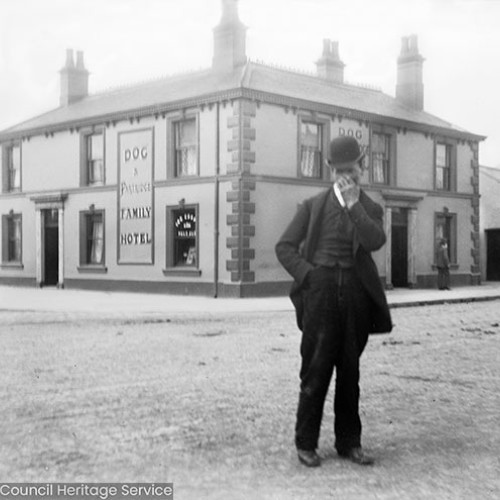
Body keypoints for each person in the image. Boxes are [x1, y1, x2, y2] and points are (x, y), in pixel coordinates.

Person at [275, 136, 392, 468]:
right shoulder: (312, 206)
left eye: (352, 169)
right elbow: (284, 247)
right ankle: (306, 443)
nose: (346, 176)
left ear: (362, 167)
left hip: (355, 296)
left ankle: (349, 443)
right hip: (321, 293)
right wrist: (309, 277)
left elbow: (375, 241)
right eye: (340, 170)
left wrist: (354, 206)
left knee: (350, 373)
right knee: (315, 370)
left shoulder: (369, 208)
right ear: (329, 169)